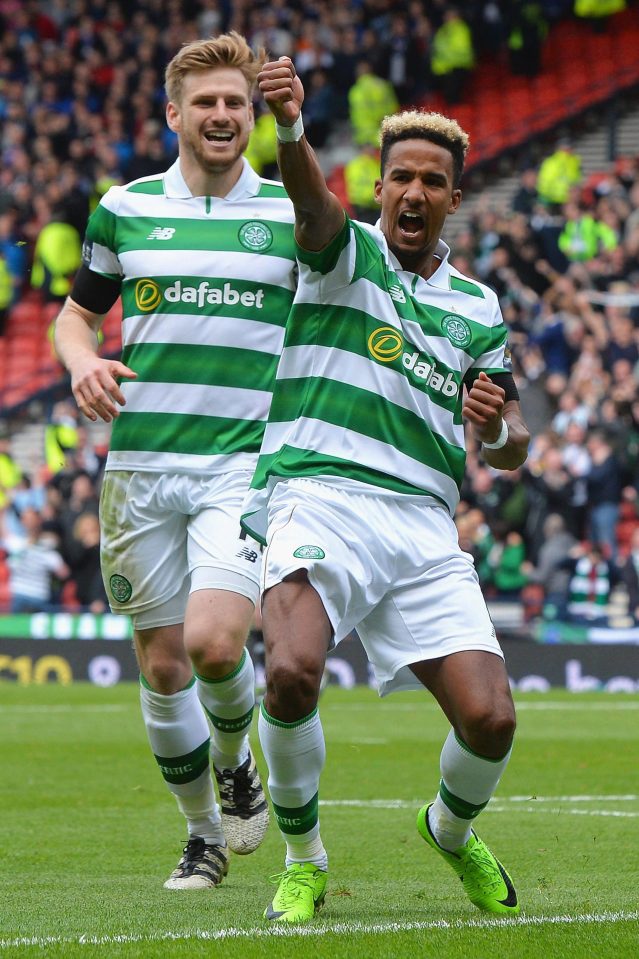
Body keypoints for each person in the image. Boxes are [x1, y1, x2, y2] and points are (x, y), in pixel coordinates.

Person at [243, 57, 530, 923]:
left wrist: (495, 427)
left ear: (453, 197)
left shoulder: (478, 307)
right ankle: (303, 858)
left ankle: (447, 828)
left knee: (491, 722)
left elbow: (512, 446)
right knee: (291, 671)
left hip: (420, 523)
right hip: (319, 493)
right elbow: (309, 203)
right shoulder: (344, 251)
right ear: (378, 185)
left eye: (431, 181)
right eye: (400, 175)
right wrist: (290, 128)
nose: (413, 191)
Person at [54, 33, 297, 891]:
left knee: (215, 645)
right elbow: (75, 314)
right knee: (163, 665)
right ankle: (201, 834)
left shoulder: (288, 213)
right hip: (140, 468)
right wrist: (82, 360)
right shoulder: (123, 207)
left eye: (235, 103)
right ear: (174, 115)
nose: (222, 115)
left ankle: (234, 764)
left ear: (253, 115)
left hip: (240, 465)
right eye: (205, 103)